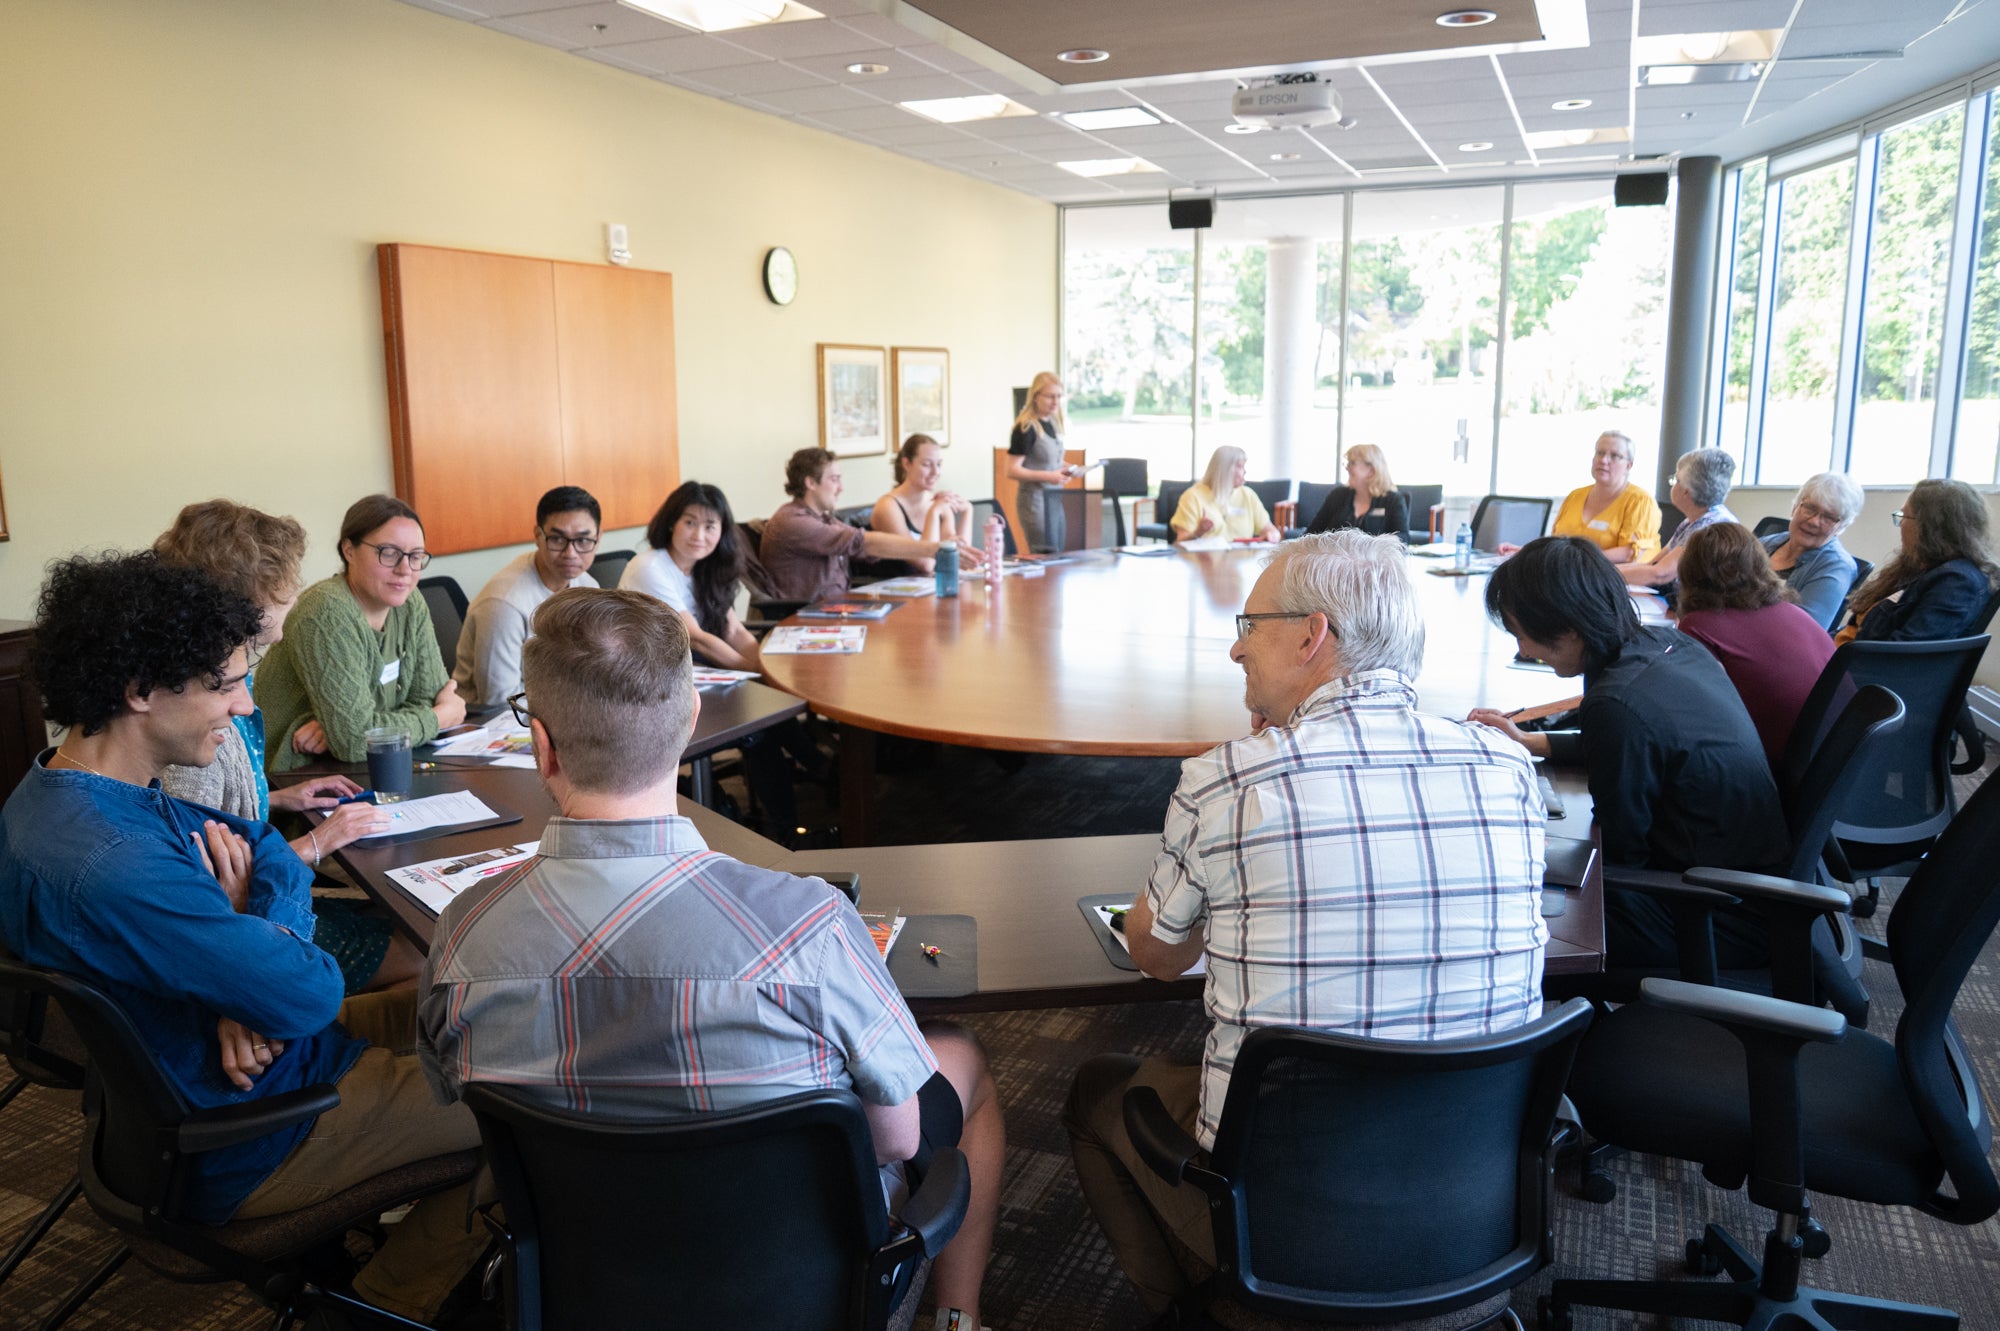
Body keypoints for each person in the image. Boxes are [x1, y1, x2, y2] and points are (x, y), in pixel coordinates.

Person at [417, 589, 1005, 1330]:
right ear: (691, 720)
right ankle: (959, 1321)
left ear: (542, 744)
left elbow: (454, 1096)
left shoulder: (462, 935)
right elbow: (897, 1139)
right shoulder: (809, 926)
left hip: (581, 1288)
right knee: (963, 1060)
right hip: (798, 1292)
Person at [1064, 531, 1548, 1317]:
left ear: (1311, 634)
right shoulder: (1507, 769)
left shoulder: (1226, 781)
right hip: (1474, 1208)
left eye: (1248, 625)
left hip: (1289, 1225)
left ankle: (1219, 1309)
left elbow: (1153, 953)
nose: (1234, 650)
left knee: (1096, 1089)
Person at [0, 552, 488, 1325]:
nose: (245, 702)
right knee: (523, 1102)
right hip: (246, 1131)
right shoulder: (114, 864)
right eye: (227, 682)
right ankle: (380, 1304)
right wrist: (249, 932)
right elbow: (310, 987)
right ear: (141, 691)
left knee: (465, 1002)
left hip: (215, 1076)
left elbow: (255, 845)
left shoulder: (63, 793)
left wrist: (242, 953)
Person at [1470, 537, 1787, 970]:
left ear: (1566, 627)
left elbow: (1622, 855)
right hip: (1759, 889)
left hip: (1715, 913)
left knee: (1513, 909)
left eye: (1521, 634)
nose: (1523, 651)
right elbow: (1644, 745)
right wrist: (1532, 742)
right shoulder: (1664, 645)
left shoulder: (1617, 704)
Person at [154, 500, 414, 994]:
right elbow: (210, 898)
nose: (296, 596)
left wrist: (278, 799)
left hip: (265, 891)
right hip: (249, 926)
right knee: (420, 946)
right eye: (285, 584)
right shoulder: (198, 711)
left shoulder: (225, 674)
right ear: (241, 597)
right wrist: (317, 841)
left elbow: (211, 816)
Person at [256, 494, 466, 772]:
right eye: (389, 553)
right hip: (296, 775)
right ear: (349, 550)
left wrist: (347, 728)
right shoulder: (326, 612)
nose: (405, 569)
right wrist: (439, 718)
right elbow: (356, 741)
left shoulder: (409, 602)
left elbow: (430, 696)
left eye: (415, 556)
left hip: (376, 764)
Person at [1675, 523, 1837, 771]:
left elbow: (1692, 711)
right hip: (1840, 758)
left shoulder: (1699, 626)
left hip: (1775, 766)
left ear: (1691, 572)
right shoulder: (1795, 612)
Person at [451, 484, 603, 709]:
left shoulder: (587, 586)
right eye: (557, 539)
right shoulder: (504, 605)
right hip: (492, 724)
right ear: (537, 536)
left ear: (598, 539)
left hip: (560, 710)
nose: (570, 553)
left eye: (582, 541)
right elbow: (500, 702)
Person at [760, 448, 980, 603]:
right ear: (810, 483)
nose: (841, 488)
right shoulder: (793, 522)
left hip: (836, 611)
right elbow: (864, 542)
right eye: (834, 479)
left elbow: (865, 545)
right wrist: (936, 549)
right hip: (805, 618)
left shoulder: (824, 518)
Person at [623, 480, 764, 672]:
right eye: (690, 523)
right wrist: (757, 672)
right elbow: (695, 638)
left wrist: (764, 665)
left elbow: (734, 630)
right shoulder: (649, 567)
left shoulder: (706, 567)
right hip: (651, 671)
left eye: (710, 526)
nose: (699, 536)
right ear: (672, 523)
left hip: (691, 667)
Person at [1839, 477, 1999, 645]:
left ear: (1929, 526)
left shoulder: (1957, 582)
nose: (1900, 524)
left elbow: (1906, 652)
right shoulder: (1918, 565)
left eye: (1904, 516)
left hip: (1861, 666)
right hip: (1847, 654)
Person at [1621, 447, 1738, 589]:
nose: (1673, 485)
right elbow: (1652, 565)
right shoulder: (1694, 521)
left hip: (1707, 607)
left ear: (1686, 492)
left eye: (1676, 480)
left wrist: (1597, 575)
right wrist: (1599, 571)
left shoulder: (1709, 526)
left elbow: (1660, 574)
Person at [1762, 472, 1863, 632]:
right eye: (1810, 508)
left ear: (1842, 526)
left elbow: (1801, 632)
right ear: (1795, 507)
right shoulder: (1766, 543)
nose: (1814, 521)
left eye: (1829, 517)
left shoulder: (1837, 567)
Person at [1544, 431, 1662, 564]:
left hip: (1617, 579)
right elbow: (1556, 541)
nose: (1604, 460)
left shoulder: (1640, 501)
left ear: (1628, 466)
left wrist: (1580, 560)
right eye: (1600, 453)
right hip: (1570, 572)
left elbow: (1630, 553)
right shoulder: (1575, 496)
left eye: (1615, 456)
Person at [872, 433, 975, 574]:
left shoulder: (939, 505)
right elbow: (925, 564)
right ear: (906, 464)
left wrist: (967, 511)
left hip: (933, 588)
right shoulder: (888, 507)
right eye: (927, 465)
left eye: (939, 464)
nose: (935, 472)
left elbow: (960, 560)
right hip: (898, 591)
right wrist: (933, 513)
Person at [1006, 371, 1082, 554]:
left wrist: (1067, 467)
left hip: (1054, 498)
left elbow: (1049, 459)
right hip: (1035, 501)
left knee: (1058, 551)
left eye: (1058, 396)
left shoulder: (1052, 424)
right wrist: (1049, 476)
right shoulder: (1025, 428)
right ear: (1036, 397)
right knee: (1045, 553)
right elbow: (1011, 470)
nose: (1055, 402)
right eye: (1050, 396)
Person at [1170, 445, 1280, 544]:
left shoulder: (1248, 495)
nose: (1245, 471)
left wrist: (1273, 536)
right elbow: (1180, 542)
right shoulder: (1192, 497)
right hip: (1205, 562)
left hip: (1241, 562)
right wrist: (1198, 532)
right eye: (1240, 466)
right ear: (1225, 469)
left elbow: (1272, 531)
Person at [1305, 443, 1409, 539]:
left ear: (1371, 470)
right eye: (1347, 463)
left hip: (1374, 559)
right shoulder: (1337, 495)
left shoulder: (1393, 500)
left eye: (1352, 463)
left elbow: (1403, 538)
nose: (1347, 468)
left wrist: (1375, 545)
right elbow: (1310, 534)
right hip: (1336, 558)